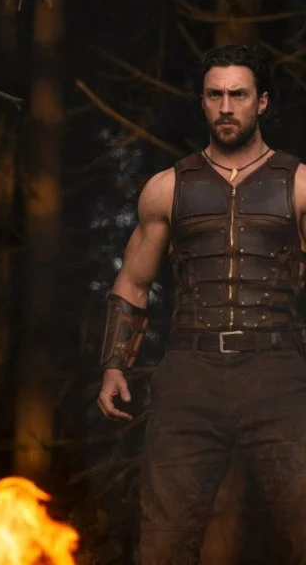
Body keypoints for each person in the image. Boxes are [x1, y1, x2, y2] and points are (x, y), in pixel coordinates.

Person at [97, 43, 306, 564]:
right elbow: (134, 282)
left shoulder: (300, 184)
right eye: (215, 95)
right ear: (202, 101)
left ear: (261, 101)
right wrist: (114, 365)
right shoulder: (167, 188)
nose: (226, 107)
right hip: (190, 374)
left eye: (238, 94)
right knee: (164, 540)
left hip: (277, 371)